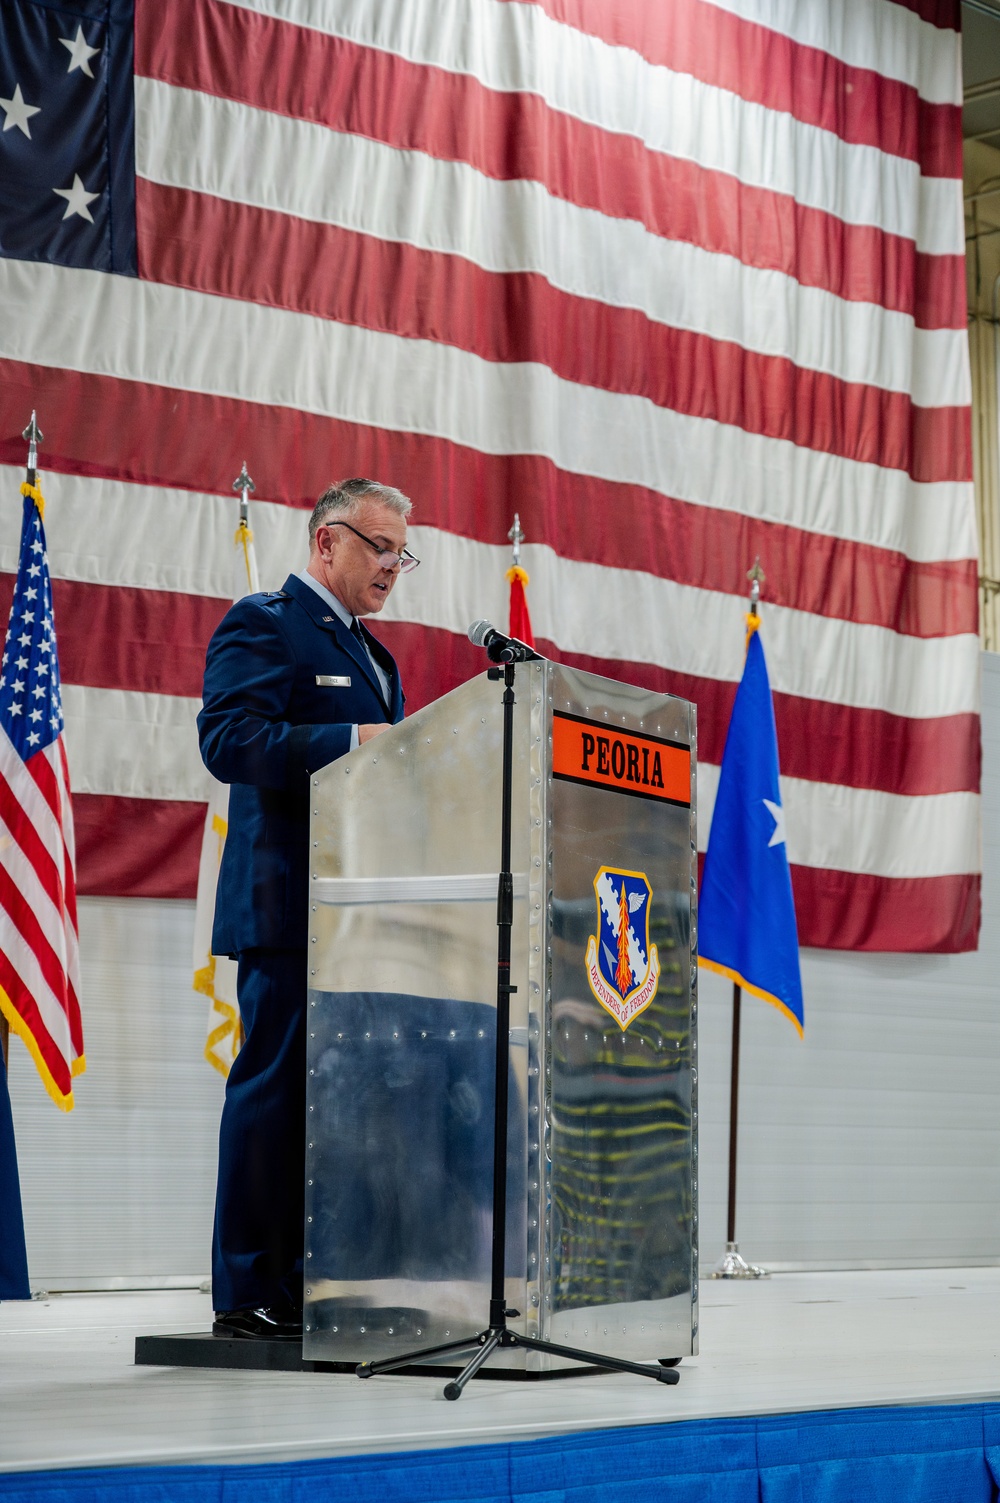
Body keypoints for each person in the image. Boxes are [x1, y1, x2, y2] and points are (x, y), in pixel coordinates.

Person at [198, 477, 416, 1338]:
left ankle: (311, 1279)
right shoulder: (267, 622)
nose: (394, 566)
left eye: (404, 552)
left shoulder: (376, 656)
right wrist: (348, 739)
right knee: (274, 1092)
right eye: (380, 546)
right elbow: (227, 739)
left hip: (356, 915)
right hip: (288, 907)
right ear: (328, 541)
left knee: (338, 1103)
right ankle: (246, 1286)